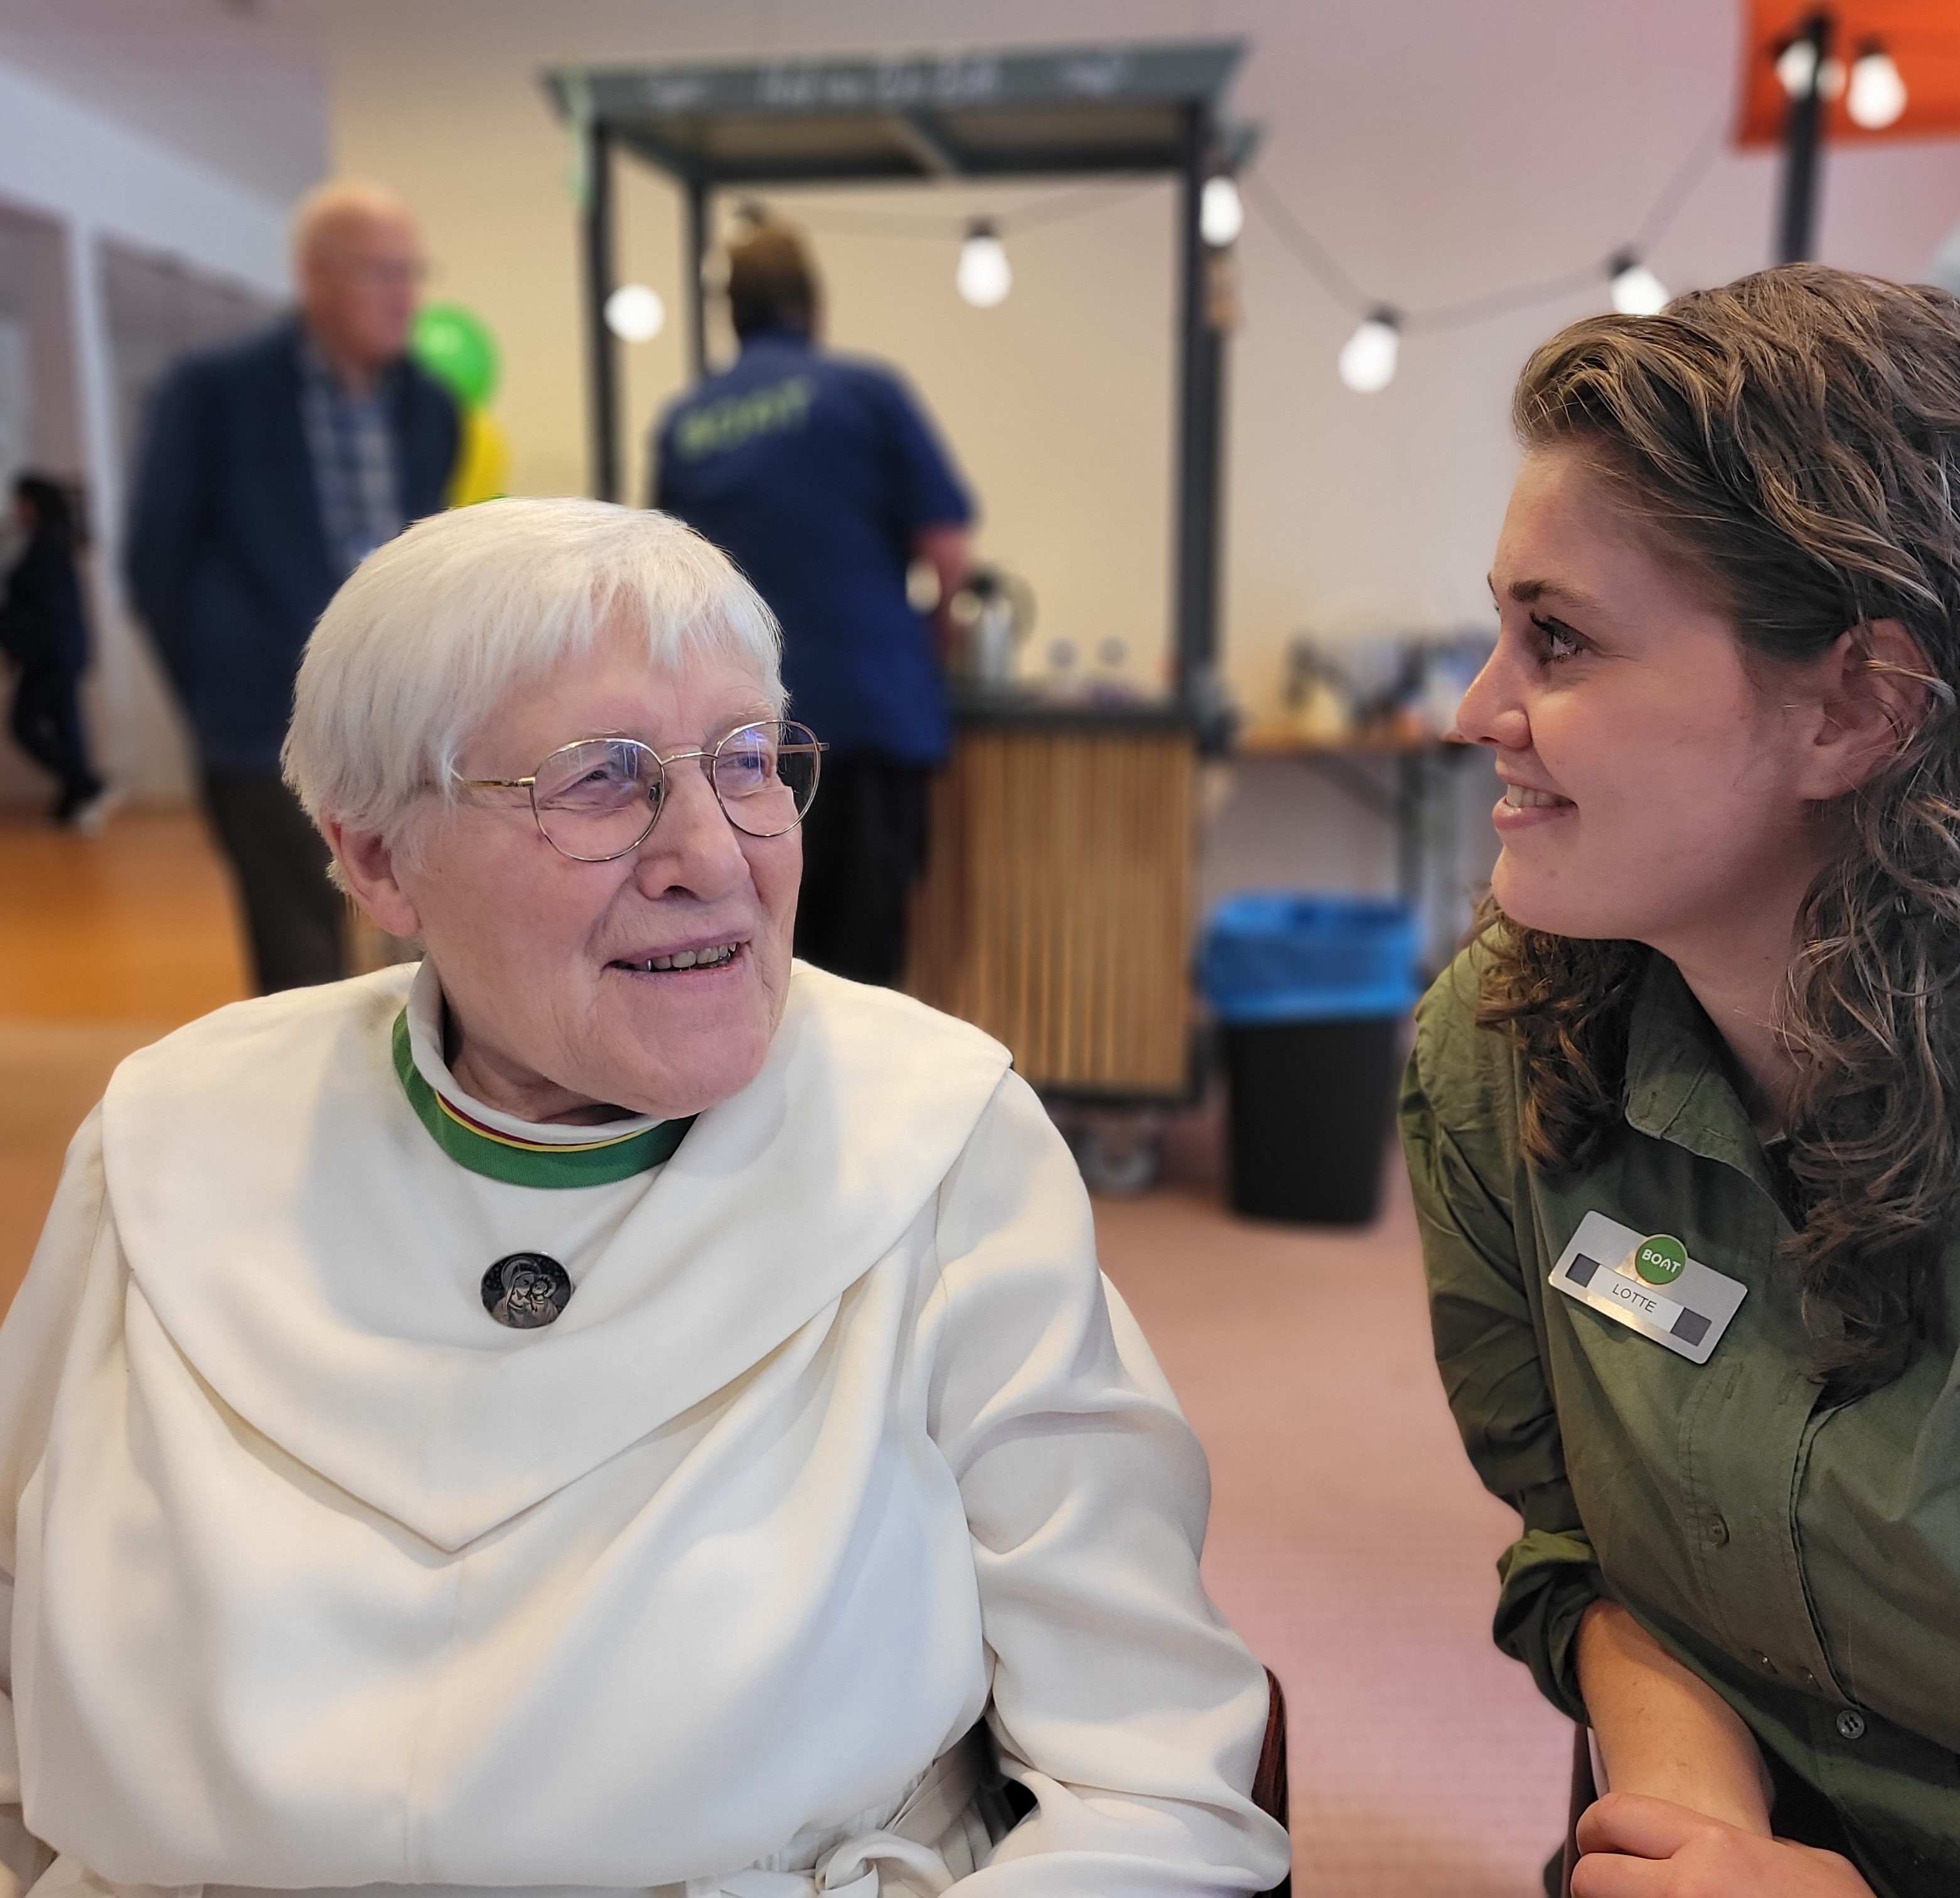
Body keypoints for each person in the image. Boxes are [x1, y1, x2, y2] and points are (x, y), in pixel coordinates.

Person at [0, 497, 1288, 1898]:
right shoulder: (173, 1138)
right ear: (375, 857)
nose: (716, 854)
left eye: (745, 760)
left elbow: (1154, 1790)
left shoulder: (939, 1142)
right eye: (601, 780)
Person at [1402, 265, 1960, 1897]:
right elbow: (1580, 1539)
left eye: (1560, 641)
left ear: (1865, 703)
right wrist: (1699, 1808)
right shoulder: (1503, 1053)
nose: (1478, 711)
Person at [126, 178, 458, 994]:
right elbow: (155, 558)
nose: (403, 295)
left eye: (412, 272)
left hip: (396, 717)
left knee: (428, 924)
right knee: (298, 958)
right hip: (256, 723)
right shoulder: (214, 393)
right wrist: (211, 695)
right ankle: (307, 1114)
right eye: (379, 272)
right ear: (314, 277)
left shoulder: (429, 406)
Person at [653, 216, 973, 988]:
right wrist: (935, 640)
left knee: (746, 951)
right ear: (811, 304)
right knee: (858, 969)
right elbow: (949, 554)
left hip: (735, 742)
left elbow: (661, 574)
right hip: (864, 717)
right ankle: (845, 1110)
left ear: (732, 312)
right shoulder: (865, 393)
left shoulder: (687, 422)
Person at [0, 473, 108, 828]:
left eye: (20, 503)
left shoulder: (47, 547)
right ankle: (73, 801)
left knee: (26, 725)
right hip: (58, 653)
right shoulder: (48, 544)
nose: (16, 511)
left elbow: (46, 612)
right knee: (66, 729)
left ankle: (87, 786)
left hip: (50, 655)